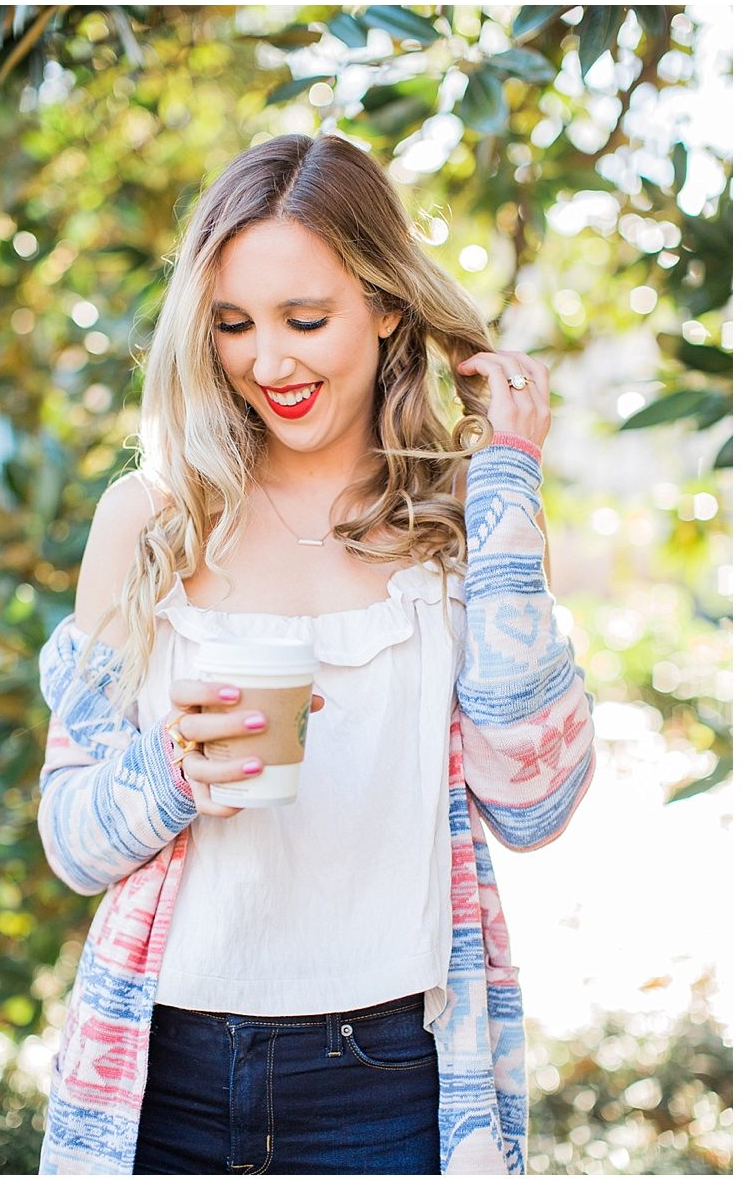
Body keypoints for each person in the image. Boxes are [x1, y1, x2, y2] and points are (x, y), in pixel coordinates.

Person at [36, 132, 596, 1176]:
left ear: (386, 305)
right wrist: (169, 768)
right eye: (233, 324)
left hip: (386, 1077)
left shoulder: (466, 525)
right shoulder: (149, 520)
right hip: (163, 1070)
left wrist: (508, 482)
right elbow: (72, 840)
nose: (268, 362)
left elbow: (532, 805)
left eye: (305, 319)